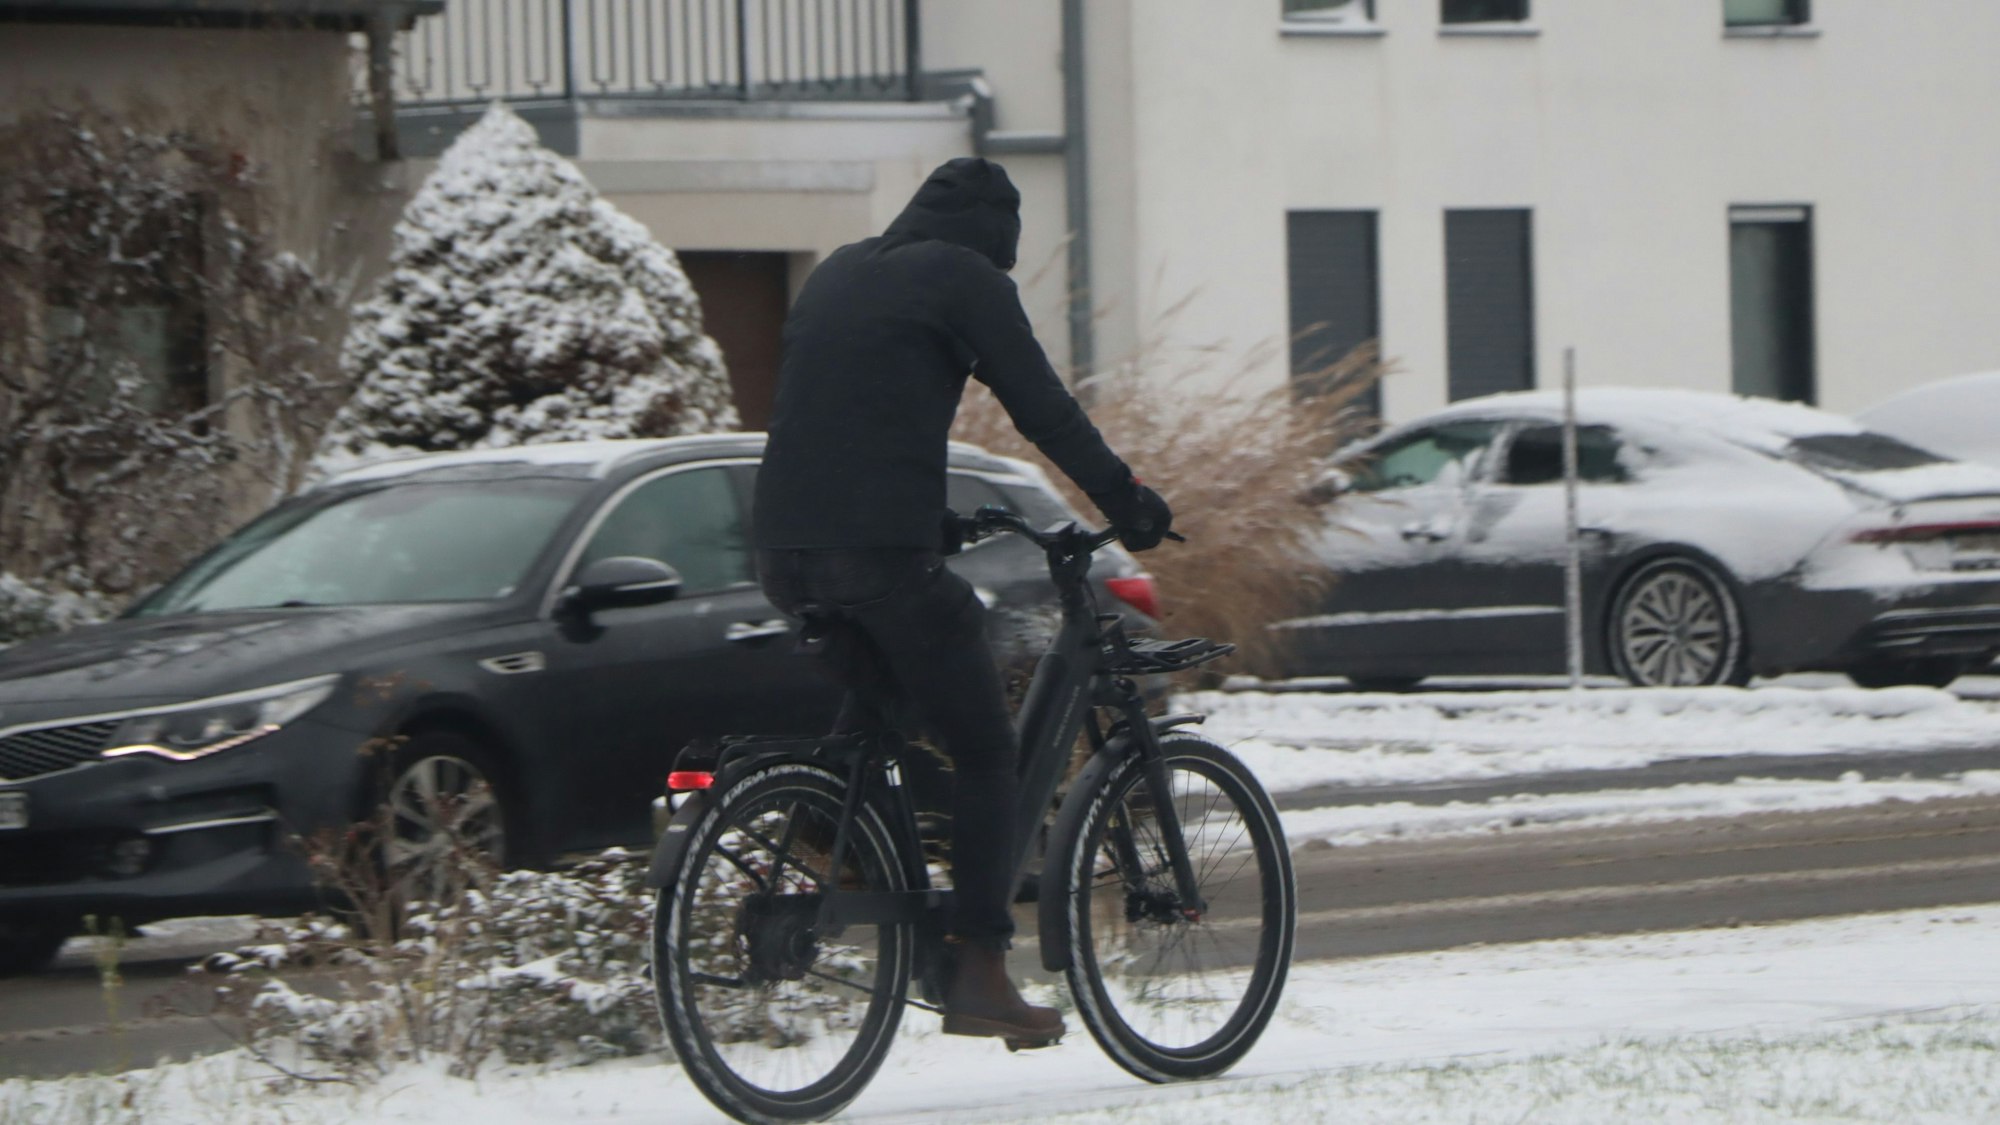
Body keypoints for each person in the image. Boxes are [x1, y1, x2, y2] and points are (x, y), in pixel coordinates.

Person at [753, 157, 1171, 1045]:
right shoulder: (963, 275)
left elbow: (852, 416)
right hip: (873, 555)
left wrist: (925, 521)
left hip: (783, 552)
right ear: (994, 237)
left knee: (886, 698)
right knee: (987, 748)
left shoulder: (839, 267)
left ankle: (825, 850)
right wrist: (1126, 500)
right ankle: (979, 965)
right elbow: (1043, 409)